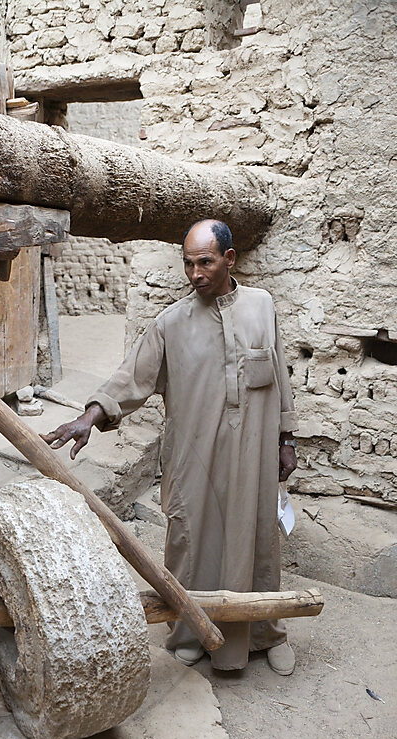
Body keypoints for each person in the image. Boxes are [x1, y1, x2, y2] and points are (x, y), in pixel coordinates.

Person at [41, 219, 299, 675]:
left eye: (205, 261)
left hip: (254, 455)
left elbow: (280, 379)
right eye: (188, 263)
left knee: (256, 540)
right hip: (194, 457)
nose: (195, 272)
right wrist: (88, 417)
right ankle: (190, 630)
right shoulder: (171, 323)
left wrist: (286, 437)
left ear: (229, 259)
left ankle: (265, 632)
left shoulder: (262, 307)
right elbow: (130, 379)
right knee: (190, 541)